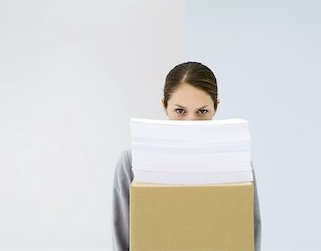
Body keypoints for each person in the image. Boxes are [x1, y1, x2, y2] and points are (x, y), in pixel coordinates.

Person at [112, 61, 262, 250]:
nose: (191, 122)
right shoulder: (131, 162)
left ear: (216, 108)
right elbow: (122, 239)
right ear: (164, 106)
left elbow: (250, 234)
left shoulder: (236, 161)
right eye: (180, 111)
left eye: (202, 112)